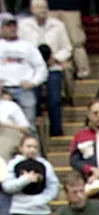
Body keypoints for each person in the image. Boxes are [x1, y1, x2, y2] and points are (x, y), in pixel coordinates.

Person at [18, 0, 71, 137]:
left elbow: (67, 48)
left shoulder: (58, 25)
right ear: (31, 9)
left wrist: (56, 58)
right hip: (32, 70)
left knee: (55, 100)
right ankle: (35, 135)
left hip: (53, 67)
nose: (42, 10)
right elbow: (19, 47)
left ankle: (56, 133)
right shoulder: (23, 26)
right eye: (38, 7)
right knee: (33, 101)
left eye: (44, 7)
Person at [2, 134, 58, 215]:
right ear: (21, 148)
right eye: (28, 146)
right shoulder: (13, 164)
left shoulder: (45, 164)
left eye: (35, 147)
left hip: (41, 211)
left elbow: (53, 186)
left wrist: (43, 199)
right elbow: (7, 186)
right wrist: (25, 180)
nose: (32, 150)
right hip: (20, 210)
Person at [0, 14, 47, 127]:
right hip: (3, 90)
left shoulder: (28, 46)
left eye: (14, 25)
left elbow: (41, 67)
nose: (12, 28)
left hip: (24, 89)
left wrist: (33, 82)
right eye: (8, 26)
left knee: (29, 125)